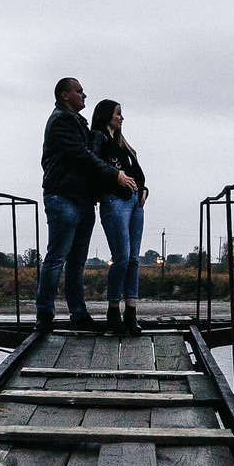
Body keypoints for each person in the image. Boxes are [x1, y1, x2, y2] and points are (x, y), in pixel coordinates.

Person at [37, 77, 134, 329]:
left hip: (81, 199)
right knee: (57, 258)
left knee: (76, 262)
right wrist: (115, 174)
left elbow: (89, 155)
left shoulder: (77, 122)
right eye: (79, 91)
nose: (84, 95)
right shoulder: (62, 120)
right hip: (64, 196)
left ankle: (79, 315)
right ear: (64, 95)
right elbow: (82, 155)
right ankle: (45, 316)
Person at [90, 98, 148, 334]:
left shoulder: (122, 144)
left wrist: (144, 188)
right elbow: (94, 166)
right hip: (115, 201)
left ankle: (131, 312)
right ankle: (113, 311)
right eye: (117, 113)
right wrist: (117, 179)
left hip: (135, 204)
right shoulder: (98, 138)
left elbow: (137, 173)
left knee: (133, 259)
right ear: (106, 115)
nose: (121, 118)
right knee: (122, 257)